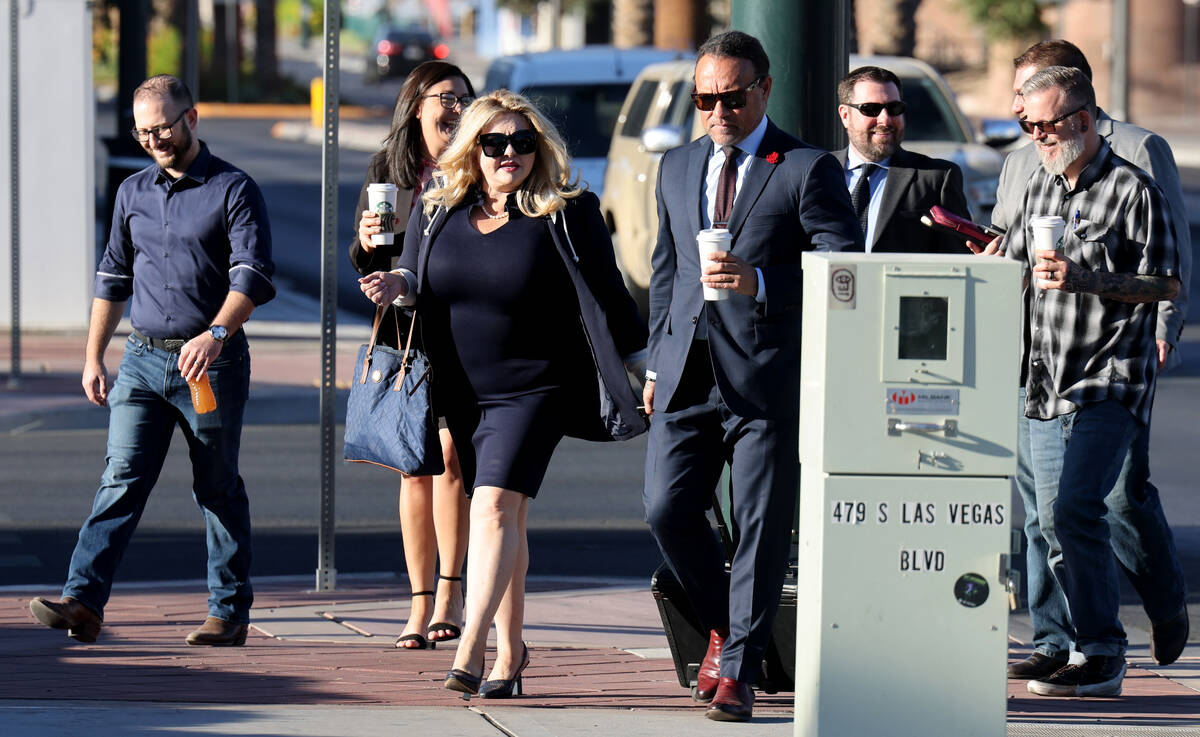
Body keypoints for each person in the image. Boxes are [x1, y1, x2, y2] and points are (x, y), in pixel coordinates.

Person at [359, 90, 648, 699]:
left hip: (534, 388)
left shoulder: (567, 212)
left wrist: (644, 367)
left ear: (539, 149)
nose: (509, 153)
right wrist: (396, 283)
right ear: (475, 150)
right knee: (506, 518)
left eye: (522, 142)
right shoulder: (440, 208)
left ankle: (470, 646)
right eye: (494, 143)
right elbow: (416, 273)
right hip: (460, 388)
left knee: (489, 509)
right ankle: (511, 651)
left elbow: (612, 295)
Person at [640, 31, 861, 722]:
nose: (716, 111)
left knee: (761, 526)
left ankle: (738, 668)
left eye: (730, 97)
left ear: (763, 89)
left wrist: (760, 279)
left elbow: (844, 272)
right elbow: (665, 272)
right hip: (685, 372)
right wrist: (654, 359)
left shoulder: (803, 166)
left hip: (765, 377)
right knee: (666, 508)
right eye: (705, 97)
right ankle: (725, 628)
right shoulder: (677, 167)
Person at [28, 75, 275, 646]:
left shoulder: (233, 189)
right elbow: (112, 277)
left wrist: (216, 333)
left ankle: (228, 612)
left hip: (209, 363)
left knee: (216, 487)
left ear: (192, 118)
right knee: (120, 478)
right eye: (143, 132)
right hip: (141, 360)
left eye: (162, 127)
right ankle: (83, 602)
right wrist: (93, 355)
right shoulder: (131, 192)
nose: (154, 140)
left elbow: (253, 276)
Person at [986, 41, 1190, 682]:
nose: (1036, 134)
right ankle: (1063, 641)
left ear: (1082, 117)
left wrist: (1087, 279)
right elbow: (1012, 259)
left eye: (1047, 124)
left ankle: (1105, 648)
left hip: (1112, 375)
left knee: (1088, 503)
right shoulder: (1036, 180)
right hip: (1044, 375)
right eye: (1028, 124)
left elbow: (1166, 283)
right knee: (1049, 518)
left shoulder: (1135, 188)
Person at [350, 61, 475, 650]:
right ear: (417, 106)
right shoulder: (389, 173)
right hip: (405, 335)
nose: (456, 107)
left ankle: (450, 594)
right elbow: (367, 257)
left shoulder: (478, 165)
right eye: (445, 97)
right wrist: (371, 243)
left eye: (464, 98)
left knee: (452, 461)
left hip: (462, 328)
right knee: (413, 465)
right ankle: (418, 603)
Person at [833, 65, 972, 253]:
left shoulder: (935, 178)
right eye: (871, 109)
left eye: (894, 108)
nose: (885, 119)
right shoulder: (817, 172)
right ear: (845, 115)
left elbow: (958, 259)